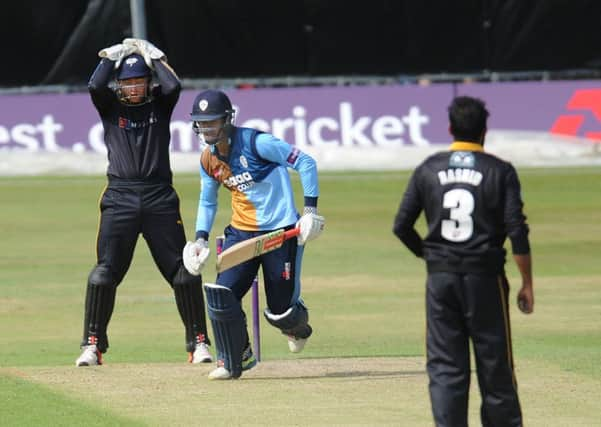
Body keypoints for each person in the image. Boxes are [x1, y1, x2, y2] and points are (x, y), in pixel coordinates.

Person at [392, 96, 534, 426]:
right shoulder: (500, 170)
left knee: (445, 367)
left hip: (441, 280)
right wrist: (527, 284)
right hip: (485, 278)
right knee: (495, 364)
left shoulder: (429, 168)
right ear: (485, 130)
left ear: (449, 128)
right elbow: (517, 230)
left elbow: (401, 225)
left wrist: (430, 255)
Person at [75, 39, 212, 366]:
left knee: (183, 271)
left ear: (147, 82)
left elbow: (173, 84)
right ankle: (92, 346)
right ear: (119, 86)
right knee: (104, 273)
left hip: (159, 197)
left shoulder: (159, 106)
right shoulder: (110, 108)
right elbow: (95, 83)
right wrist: (112, 56)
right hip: (120, 197)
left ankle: (199, 343)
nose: (134, 88)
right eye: (127, 82)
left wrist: (157, 57)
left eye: (138, 81)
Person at [182, 89, 325, 380]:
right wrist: (198, 240)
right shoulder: (208, 159)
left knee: (280, 312)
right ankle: (235, 358)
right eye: (201, 123)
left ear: (227, 119)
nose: (206, 128)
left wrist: (309, 211)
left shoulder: (258, 143)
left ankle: (298, 325)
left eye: (212, 122)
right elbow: (208, 201)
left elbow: (305, 162)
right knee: (222, 295)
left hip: (281, 232)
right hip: (242, 234)